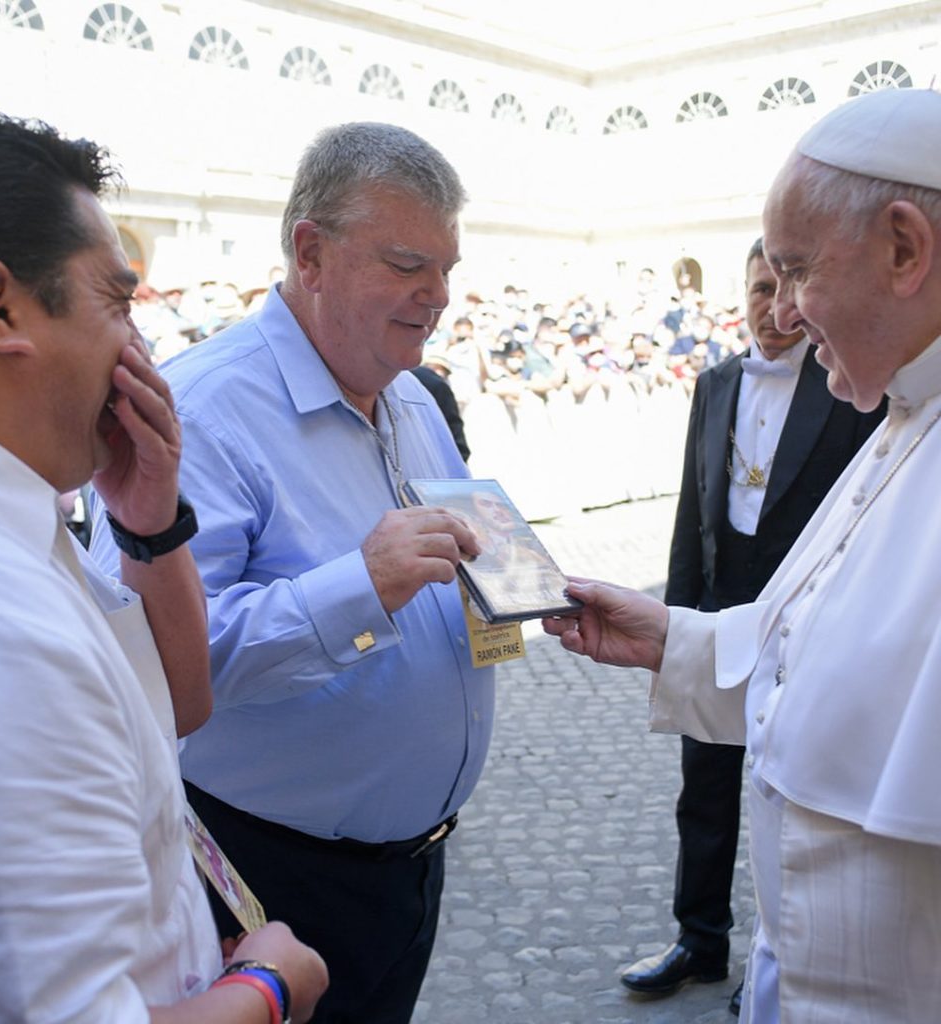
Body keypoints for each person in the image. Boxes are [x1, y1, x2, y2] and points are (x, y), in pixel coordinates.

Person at [0, 103, 327, 1023]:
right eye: (116, 301)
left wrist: (148, 519)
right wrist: (267, 987)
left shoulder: (5, 518)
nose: (139, 348)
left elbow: (173, 703)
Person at [544, 86, 941, 1023]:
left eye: (800, 270)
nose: (787, 313)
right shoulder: (903, 414)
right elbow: (823, 659)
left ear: (904, 249)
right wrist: (672, 636)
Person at [92, 121, 493, 1024]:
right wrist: (363, 583)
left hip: (409, 872)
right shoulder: (205, 410)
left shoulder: (414, 398)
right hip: (274, 876)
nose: (437, 295)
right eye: (405, 265)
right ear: (311, 253)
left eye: (446, 269)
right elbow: (152, 668)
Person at [619, 238, 885, 1014]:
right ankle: (699, 939)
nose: (773, 312)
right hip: (714, 611)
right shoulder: (715, 383)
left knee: (787, 792)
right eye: (759, 289)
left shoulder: (846, 389)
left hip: (803, 622)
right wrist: (673, 623)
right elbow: (691, 509)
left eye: (787, 291)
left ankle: (780, 964)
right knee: (703, 792)